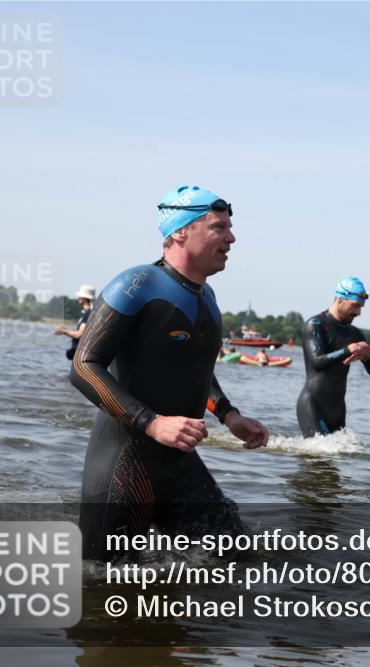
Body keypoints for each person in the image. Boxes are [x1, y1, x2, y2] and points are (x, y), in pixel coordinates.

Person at [70, 184, 269, 562]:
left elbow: (196, 369)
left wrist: (229, 415)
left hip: (179, 465)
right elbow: (83, 366)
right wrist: (151, 423)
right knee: (102, 590)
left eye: (229, 227)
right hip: (124, 466)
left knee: (243, 562)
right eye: (219, 227)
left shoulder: (206, 297)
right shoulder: (137, 285)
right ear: (180, 231)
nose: (232, 237)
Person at [296, 277, 370, 437]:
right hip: (313, 404)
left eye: (361, 307)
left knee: (336, 458)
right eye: (355, 306)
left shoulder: (355, 334)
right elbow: (317, 362)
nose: (358, 312)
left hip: (338, 410)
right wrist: (348, 350)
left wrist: (366, 356)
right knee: (318, 457)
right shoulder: (315, 325)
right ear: (340, 299)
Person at [54, 284, 95, 360]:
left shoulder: (88, 312)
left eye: (80, 296)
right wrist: (66, 329)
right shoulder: (90, 312)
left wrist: (63, 331)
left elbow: (80, 334)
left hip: (80, 356)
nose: (78, 297)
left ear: (84, 298)